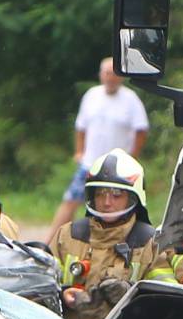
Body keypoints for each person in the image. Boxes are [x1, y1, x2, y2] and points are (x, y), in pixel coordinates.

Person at [49, 148, 179, 319]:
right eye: (101, 193)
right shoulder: (69, 235)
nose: (107, 202)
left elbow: (167, 305)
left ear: (134, 197)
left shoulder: (150, 243)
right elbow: (41, 287)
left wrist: (131, 296)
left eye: (116, 195)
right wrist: (63, 294)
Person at [43, 57, 150, 245]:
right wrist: (79, 151)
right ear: (101, 75)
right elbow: (80, 127)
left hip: (118, 170)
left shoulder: (130, 99)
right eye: (107, 73)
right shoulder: (92, 95)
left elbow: (141, 129)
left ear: (121, 76)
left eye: (114, 73)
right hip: (90, 164)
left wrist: (133, 156)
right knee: (70, 200)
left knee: (116, 205)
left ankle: (121, 242)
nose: (110, 77)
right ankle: (50, 243)